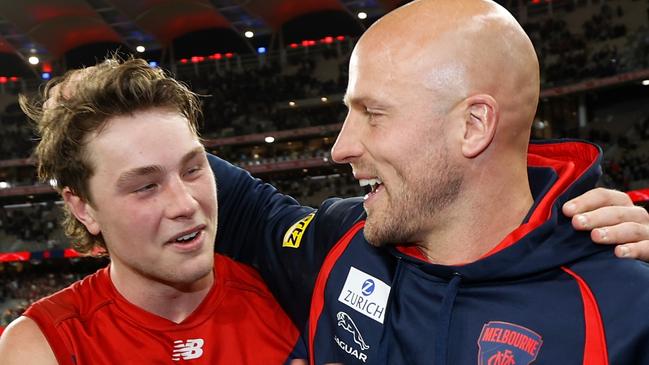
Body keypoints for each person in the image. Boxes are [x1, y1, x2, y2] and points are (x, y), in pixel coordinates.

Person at [202, 0, 649, 363]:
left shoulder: (625, 309)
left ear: (473, 125)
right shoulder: (343, 242)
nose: (340, 148)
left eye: (373, 114)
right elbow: (244, 206)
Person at [0, 58, 298, 364]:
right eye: (146, 187)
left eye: (193, 169)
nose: (185, 204)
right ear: (84, 208)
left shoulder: (290, 299)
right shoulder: (44, 345)